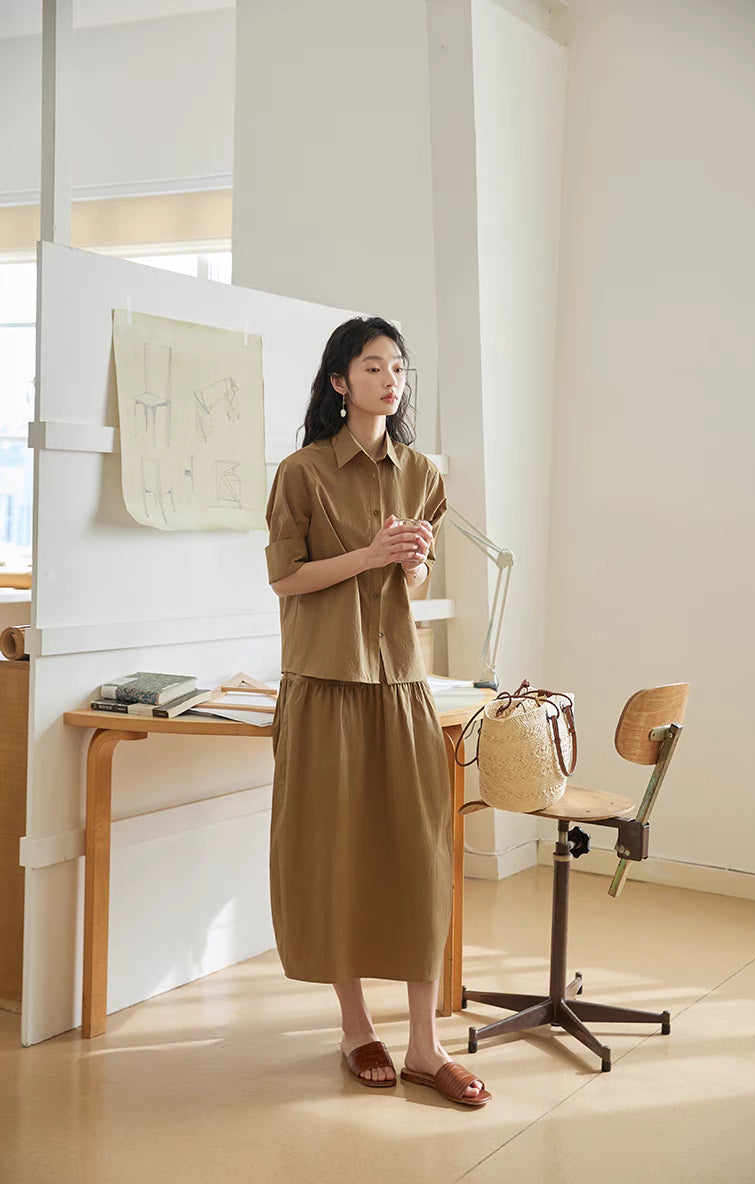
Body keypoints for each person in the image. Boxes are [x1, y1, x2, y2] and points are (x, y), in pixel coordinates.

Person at [264, 316, 491, 1108]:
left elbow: (412, 585)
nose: (390, 380)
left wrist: (414, 561)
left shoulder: (423, 471)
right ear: (339, 382)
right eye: (371, 367)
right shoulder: (301, 472)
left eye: (398, 366)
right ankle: (356, 1027)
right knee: (336, 854)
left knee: (419, 856)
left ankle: (426, 1045)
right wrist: (368, 554)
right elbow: (285, 580)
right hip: (323, 681)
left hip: (400, 681)